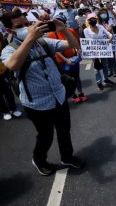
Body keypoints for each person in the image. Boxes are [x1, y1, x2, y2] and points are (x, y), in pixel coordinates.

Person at [1, 10, 84, 176]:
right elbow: (13, 65)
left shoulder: (43, 42)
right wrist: (30, 37)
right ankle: (39, 160)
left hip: (59, 96)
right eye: (20, 26)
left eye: (27, 24)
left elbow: (74, 45)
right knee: (45, 136)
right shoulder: (8, 50)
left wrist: (63, 29)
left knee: (64, 131)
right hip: (37, 104)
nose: (27, 28)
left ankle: (67, 157)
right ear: (10, 31)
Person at [47, 14, 87, 103]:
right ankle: (73, 95)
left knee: (76, 77)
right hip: (61, 61)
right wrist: (66, 60)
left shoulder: (71, 31)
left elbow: (76, 42)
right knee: (67, 79)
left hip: (73, 58)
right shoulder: (51, 34)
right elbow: (55, 50)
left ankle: (81, 93)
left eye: (61, 22)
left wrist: (78, 51)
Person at [83, 13, 115, 90]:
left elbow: (109, 34)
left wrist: (110, 38)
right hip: (94, 51)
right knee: (96, 67)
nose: (93, 20)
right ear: (88, 21)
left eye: (94, 19)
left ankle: (106, 79)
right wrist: (95, 54)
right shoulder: (86, 30)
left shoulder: (100, 27)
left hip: (103, 49)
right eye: (91, 19)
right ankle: (99, 82)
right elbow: (89, 41)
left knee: (105, 65)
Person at [97, 8, 116, 77]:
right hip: (102, 42)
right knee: (106, 57)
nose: (103, 14)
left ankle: (114, 70)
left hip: (110, 41)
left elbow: (109, 29)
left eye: (105, 13)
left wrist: (102, 29)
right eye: (102, 13)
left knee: (112, 57)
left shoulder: (110, 20)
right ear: (99, 15)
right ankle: (109, 70)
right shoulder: (98, 23)